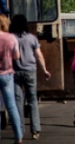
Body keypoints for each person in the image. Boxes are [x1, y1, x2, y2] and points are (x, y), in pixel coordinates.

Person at [10, 14, 51, 140]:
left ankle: (20, 131)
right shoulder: (31, 38)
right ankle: (35, 130)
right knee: (32, 100)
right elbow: (39, 55)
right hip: (30, 71)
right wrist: (44, 70)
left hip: (15, 72)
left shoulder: (11, 38)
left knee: (18, 101)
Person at [0, 14, 23, 144]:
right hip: (7, 74)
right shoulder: (11, 38)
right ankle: (18, 136)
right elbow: (17, 56)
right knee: (12, 106)